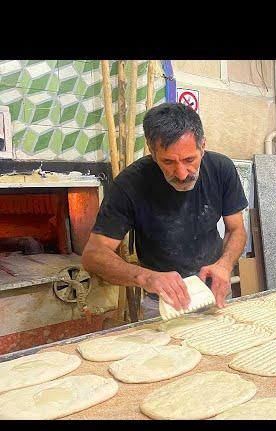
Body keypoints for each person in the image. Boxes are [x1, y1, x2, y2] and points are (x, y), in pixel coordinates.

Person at [82, 102, 248, 317]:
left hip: (213, 288)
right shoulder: (130, 184)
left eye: (190, 160)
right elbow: (93, 255)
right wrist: (146, 277)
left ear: (203, 145)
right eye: (168, 162)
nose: (181, 173)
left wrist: (224, 265)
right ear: (152, 152)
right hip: (162, 300)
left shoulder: (221, 170)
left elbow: (236, 229)